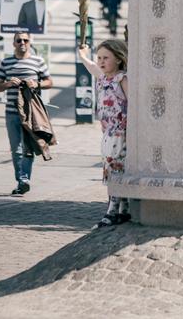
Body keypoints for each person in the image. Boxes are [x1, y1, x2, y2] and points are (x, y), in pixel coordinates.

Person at [77, 39, 129, 226]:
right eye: (99, 57)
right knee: (111, 169)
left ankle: (112, 210)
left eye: (106, 58)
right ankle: (123, 208)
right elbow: (91, 67)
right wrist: (83, 55)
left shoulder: (121, 79)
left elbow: (133, 103)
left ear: (119, 59)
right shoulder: (103, 78)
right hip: (108, 133)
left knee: (116, 169)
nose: (101, 61)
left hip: (121, 133)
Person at [0, 32, 53, 195]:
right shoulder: (6, 62)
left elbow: (49, 82)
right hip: (12, 112)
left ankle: (23, 179)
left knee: (28, 147)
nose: (22, 43)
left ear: (29, 43)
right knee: (16, 149)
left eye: (25, 40)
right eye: (18, 40)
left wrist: (37, 83)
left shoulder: (38, 61)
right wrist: (7, 84)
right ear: (13, 43)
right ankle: (21, 180)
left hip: (31, 113)